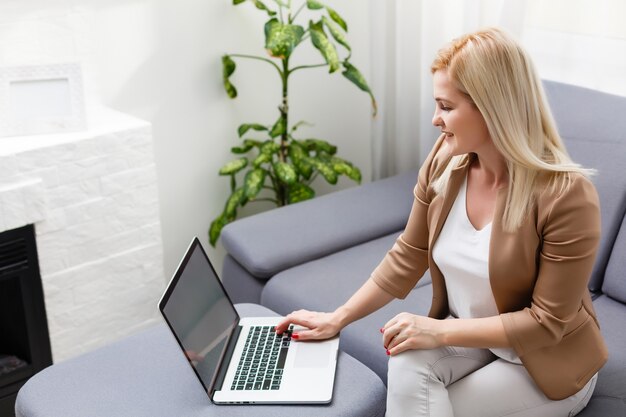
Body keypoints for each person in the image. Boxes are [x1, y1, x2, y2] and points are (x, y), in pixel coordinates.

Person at [275, 27, 608, 416]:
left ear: (492, 108)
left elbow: (546, 322)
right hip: (473, 338)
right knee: (404, 360)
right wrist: (338, 318)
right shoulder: (445, 161)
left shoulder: (566, 195)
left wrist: (436, 330)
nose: (435, 120)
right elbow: (408, 254)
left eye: (446, 107)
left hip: (543, 362)